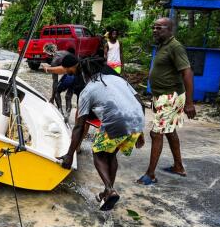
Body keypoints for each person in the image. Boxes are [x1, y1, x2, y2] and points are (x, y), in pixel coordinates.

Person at [57, 57, 145, 211]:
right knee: (110, 154)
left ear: (84, 74)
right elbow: (139, 101)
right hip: (138, 119)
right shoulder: (117, 79)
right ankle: (107, 192)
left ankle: (110, 190)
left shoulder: (88, 90)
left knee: (98, 153)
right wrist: (140, 130)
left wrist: (70, 154)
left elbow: (79, 126)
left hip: (117, 121)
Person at [137, 17, 196, 185]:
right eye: (154, 27)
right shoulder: (163, 45)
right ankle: (178, 166)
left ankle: (151, 174)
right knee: (169, 131)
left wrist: (190, 103)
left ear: (170, 29)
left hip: (171, 96)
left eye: (159, 28)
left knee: (156, 133)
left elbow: (188, 73)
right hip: (162, 96)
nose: (155, 30)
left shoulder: (176, 47)